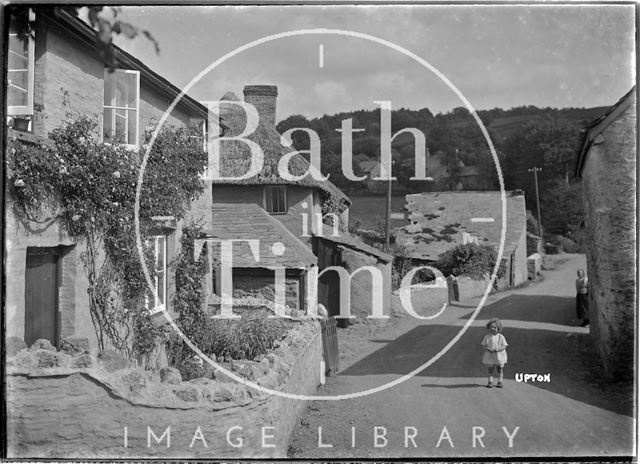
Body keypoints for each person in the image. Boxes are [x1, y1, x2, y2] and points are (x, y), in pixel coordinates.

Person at [481, 318, 508, 388]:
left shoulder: (501, 337)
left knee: (500, 369)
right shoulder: (487, 337)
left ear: (498, 328)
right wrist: (488, 349)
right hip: (490, 356)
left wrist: (498, 349)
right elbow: (484, 345)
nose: (493, 329)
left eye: (495, 327)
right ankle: (490, 381)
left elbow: (504, 346)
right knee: (490, 369)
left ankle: (500, 381)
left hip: (499, 356)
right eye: (491, 327)